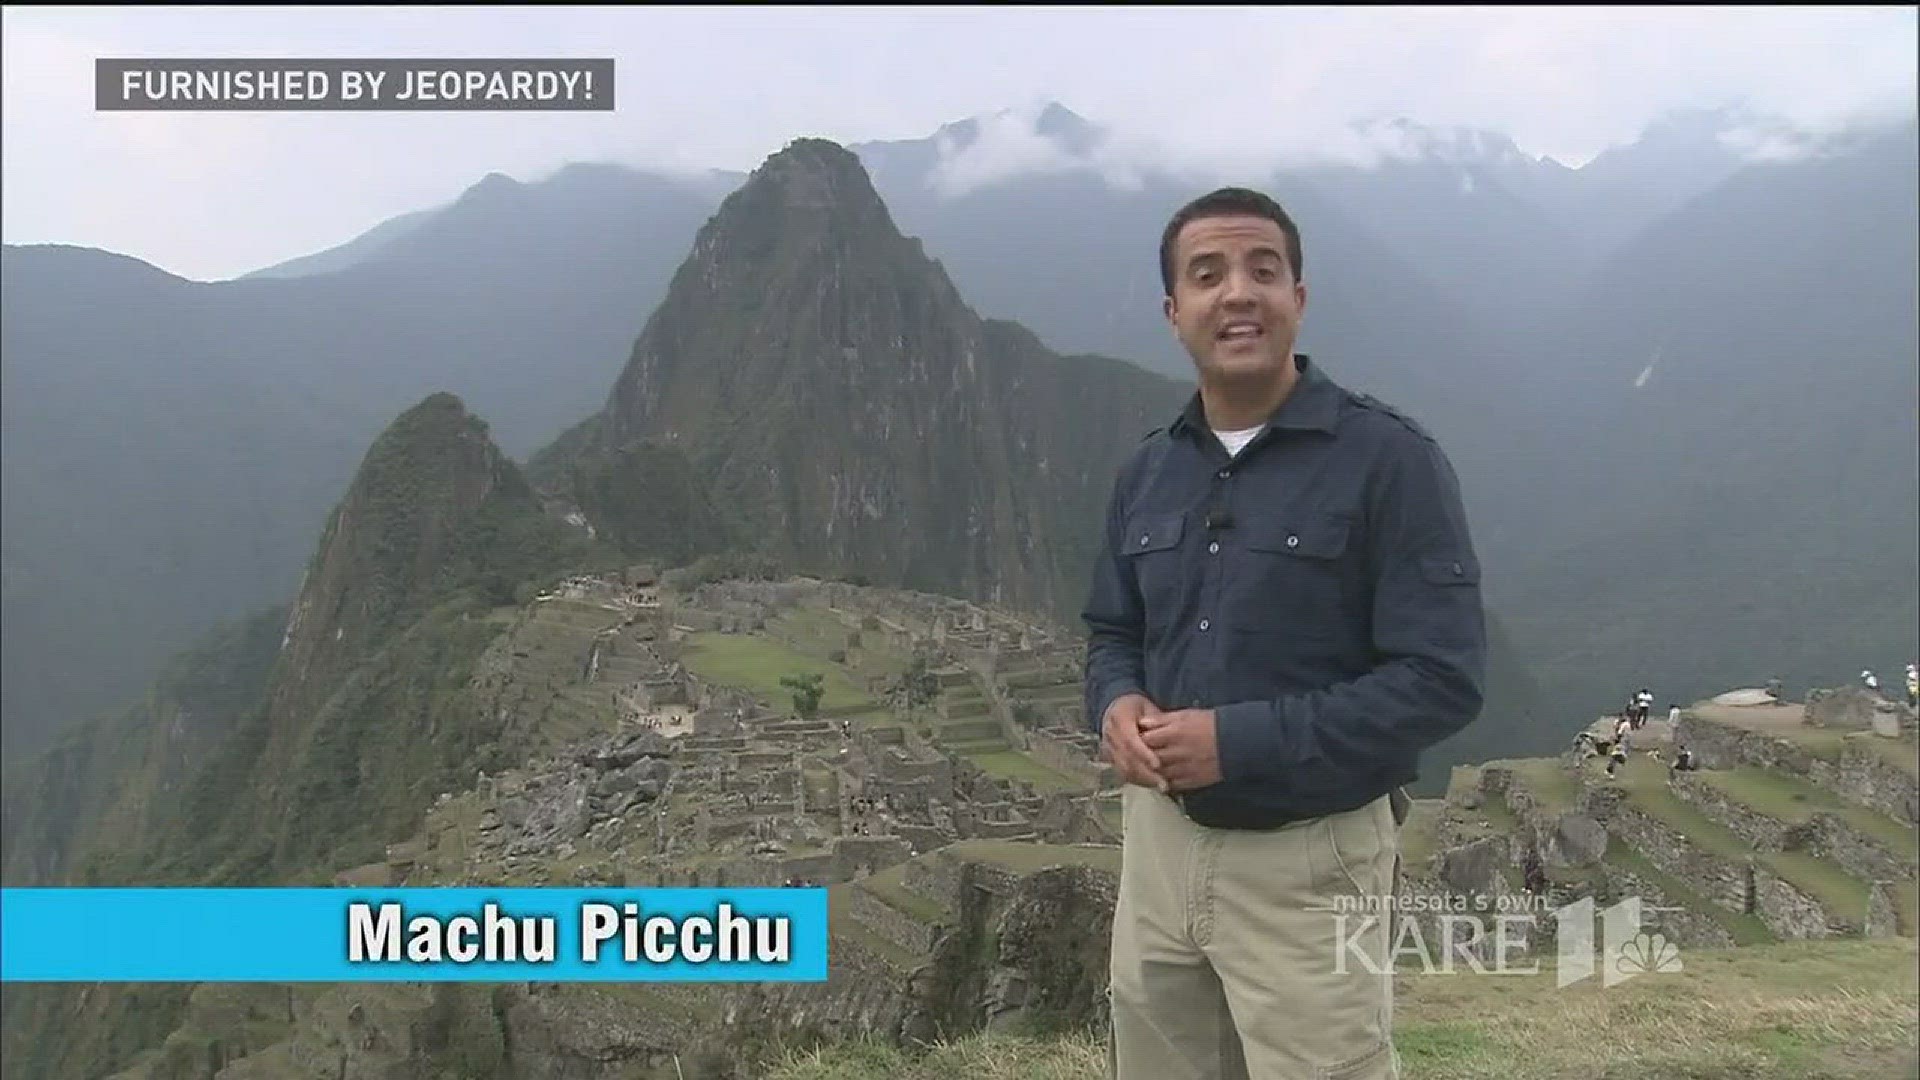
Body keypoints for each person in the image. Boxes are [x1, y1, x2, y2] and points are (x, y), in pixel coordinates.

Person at [1083, 186, 1485, 1080]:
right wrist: (1114, 702)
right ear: (1173, 311)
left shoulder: (1389, 462)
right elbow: (1113, 628)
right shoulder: (1148, 472)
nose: (1238, 293)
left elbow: (1441, 676)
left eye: (1263, 270)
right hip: (1159, 846)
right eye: (1208, 274)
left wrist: (1240, 742)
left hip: (1309, 859)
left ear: (1298, 298)